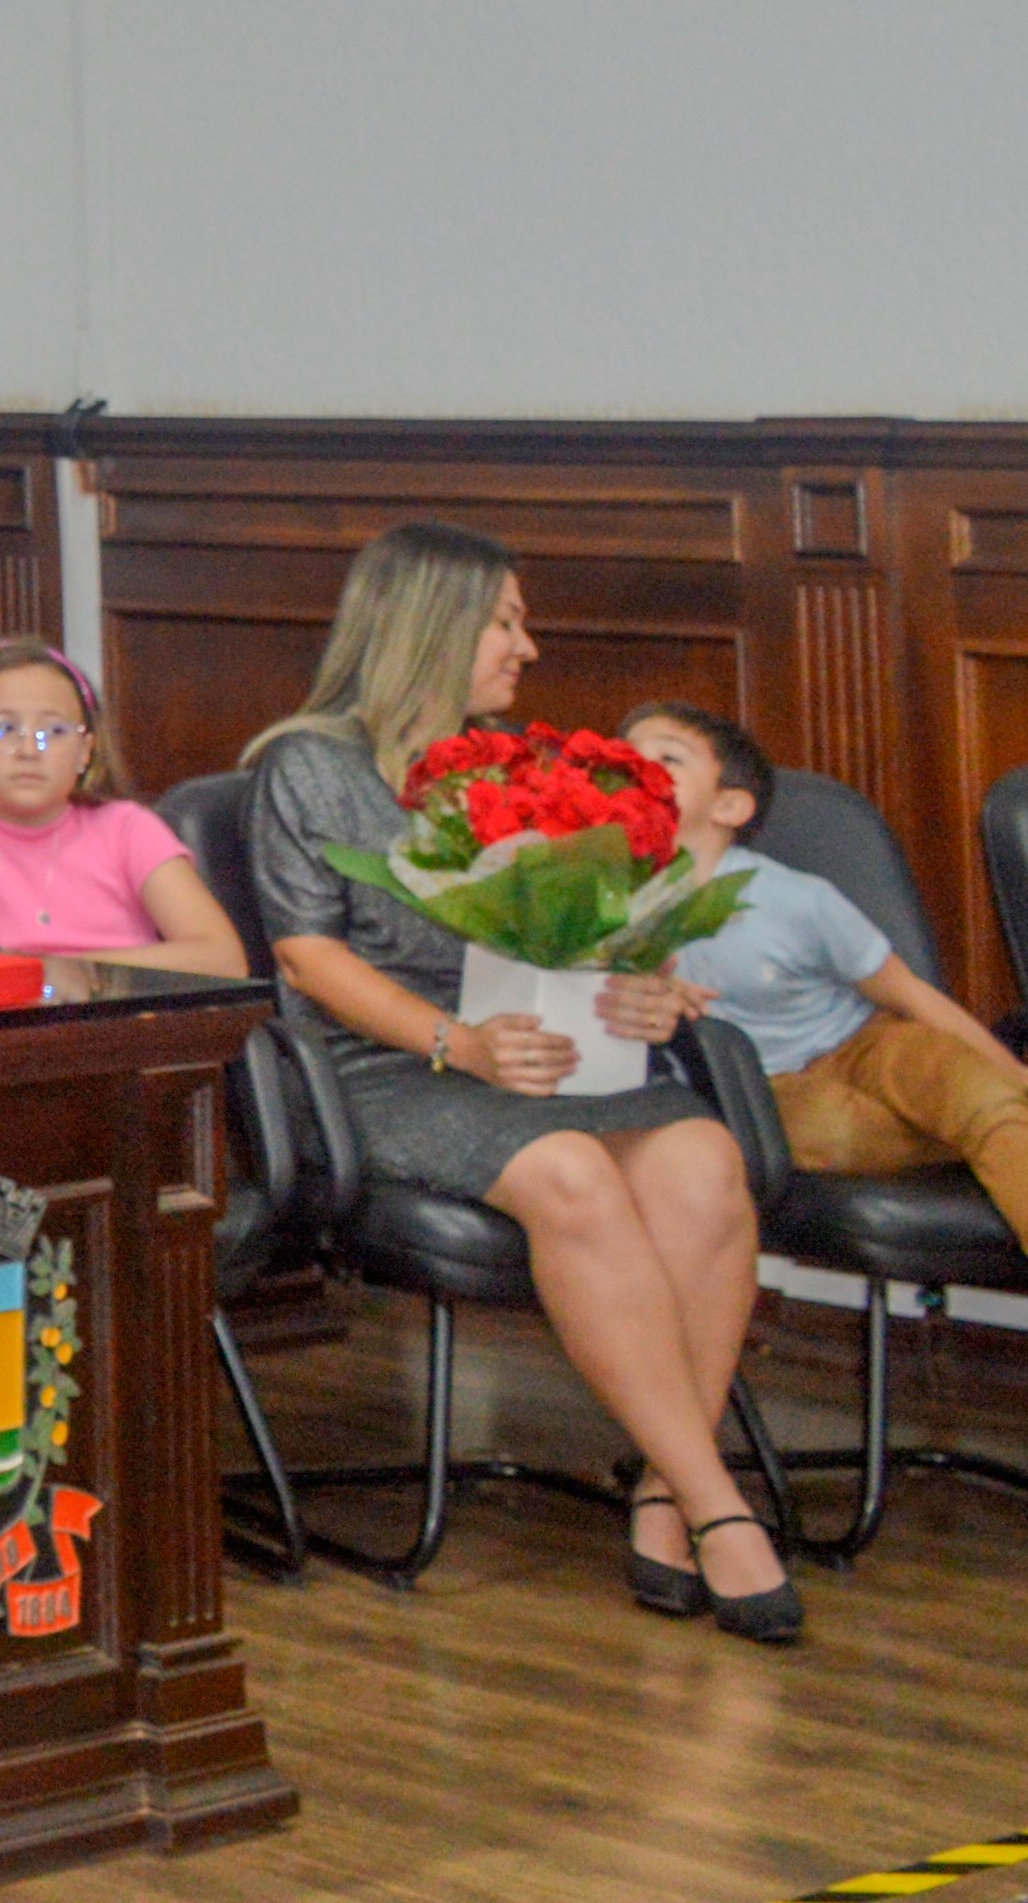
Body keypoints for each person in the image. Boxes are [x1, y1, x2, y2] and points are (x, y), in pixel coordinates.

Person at [236, 524, 793, 1638]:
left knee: (702, 1157)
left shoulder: (519, 764)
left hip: (543, 1043)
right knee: (571, 1173)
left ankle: (662, 1488)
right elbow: (307, 958)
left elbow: (593, 922)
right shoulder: (306, 765)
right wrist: (458, 1042)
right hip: (388, 1064)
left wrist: (641, 986)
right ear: (431, 626)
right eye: (504, 621)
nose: (526, 647)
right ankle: (718, 1503)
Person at [619, 702, 1028, 1415]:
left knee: (973, 1087)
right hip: (762, 1090)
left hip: (865, 1042)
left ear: (730, 806)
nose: (635, 765)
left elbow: (909, 995)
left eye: (667, 757)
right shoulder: (605, 897)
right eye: (625, 752)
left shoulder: (796, 900)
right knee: (858, 1128)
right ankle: (1016, 1128)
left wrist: (1013, 1073)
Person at [0, 636, 247, 972]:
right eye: (2, 730)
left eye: (55, 731)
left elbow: (223, 959)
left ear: (85, 751)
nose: (29, 751)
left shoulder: (128, 829)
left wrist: (64, 970)